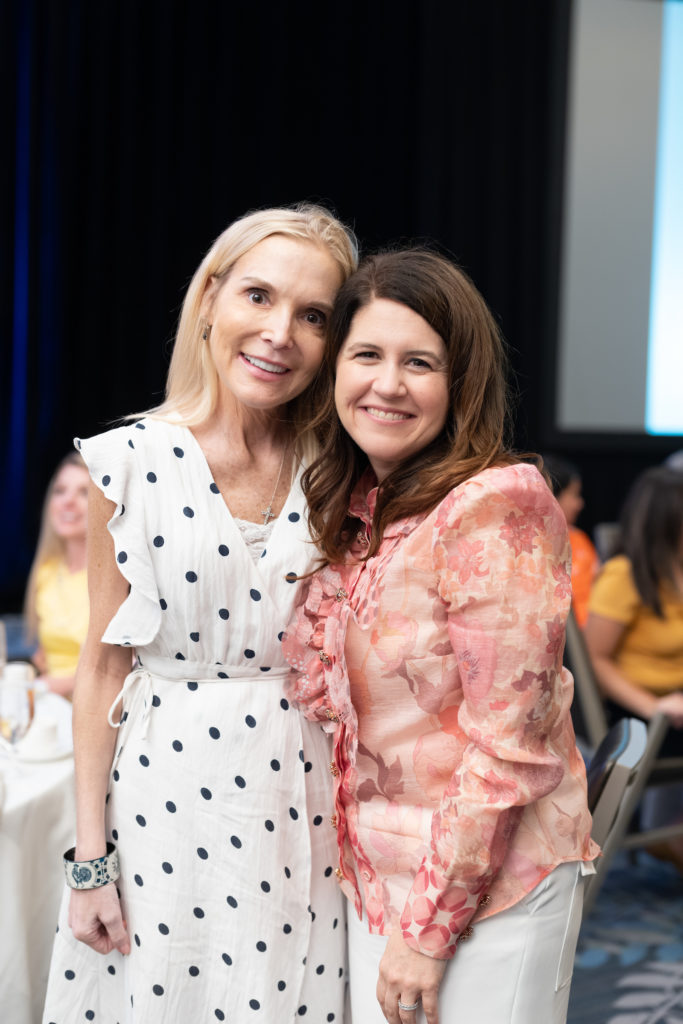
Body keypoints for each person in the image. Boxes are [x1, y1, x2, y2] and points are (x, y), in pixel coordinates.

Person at [42, 203, 358, 1023]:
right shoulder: (129, 461)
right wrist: (89, 860)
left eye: (313, 314)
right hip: (162, 799)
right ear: (211, 297)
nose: (279, 331)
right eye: (258, 295)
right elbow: (103, 668)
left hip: (304, 801)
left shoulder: (340, 470)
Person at [283, 249, 599, 1024]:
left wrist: (424, 935)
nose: (386, 383)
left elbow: (507, 748)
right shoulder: (362, 505)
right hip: (377, 882)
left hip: (486, 897)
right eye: (366, 355)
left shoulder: (495, 504)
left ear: (459, 384)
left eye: (418, 362)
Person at [585, 466, 683, 866]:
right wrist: (653, 706)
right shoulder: (624, 576)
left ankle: (671, 837)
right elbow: (595, 662)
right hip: (638, 714)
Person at [24, 452, 90, 698]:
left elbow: (126, 668)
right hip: (50, 708)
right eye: (60, 490)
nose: (68, 502)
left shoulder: (116, 579)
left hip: (95, 713)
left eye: (84, 493)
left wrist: (45, 687)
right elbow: (46, 655)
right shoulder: (47, 571)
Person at [541, 454, 600, 628]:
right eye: (574, 495)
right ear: (552, 496)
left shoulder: (579, 538)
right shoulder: (531, 546)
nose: (580, 503)